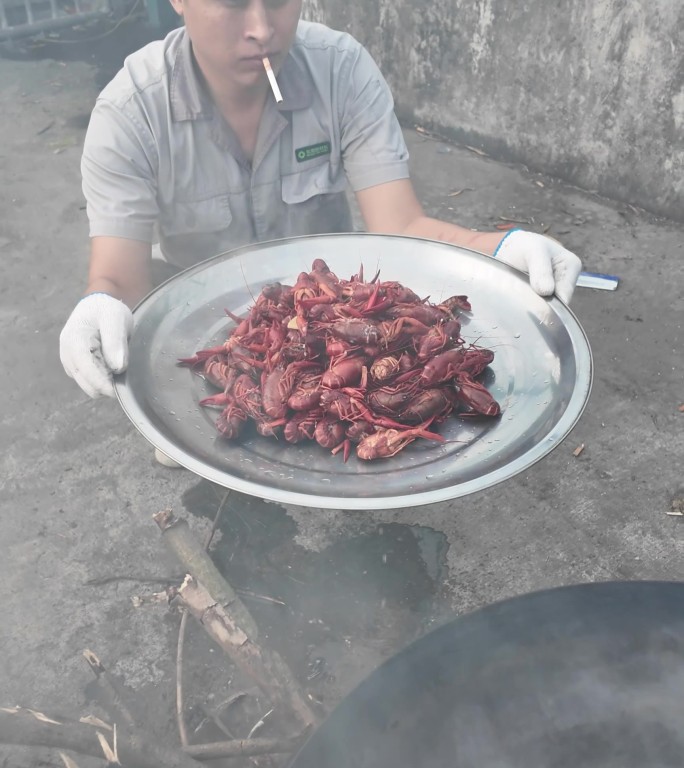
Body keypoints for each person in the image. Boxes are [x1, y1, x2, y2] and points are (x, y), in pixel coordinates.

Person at [59, 0, 582, 462]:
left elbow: (402, 225)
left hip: (338, 316)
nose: (262, 28)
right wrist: (99, 304)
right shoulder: (130, 114)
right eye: (234, 2)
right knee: (204, 452)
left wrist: (501, 249)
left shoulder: (342, 70)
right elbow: (119, 277)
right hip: (220, 339)